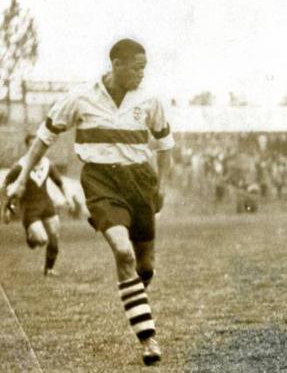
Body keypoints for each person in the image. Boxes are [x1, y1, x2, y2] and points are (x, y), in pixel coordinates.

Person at [6, 38, 174, 365]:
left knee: (144, 267)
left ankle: (136, 295)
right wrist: (22, 177)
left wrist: (161, 185)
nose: (142, 73)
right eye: (137, 67)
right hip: (100, 182)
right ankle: (148, 341)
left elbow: (165, 144)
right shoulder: (80, 98)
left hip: (140, 183)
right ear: (117, 64)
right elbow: (44, 138)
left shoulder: (151, 100)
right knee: (122, 253)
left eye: (145, 67)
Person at [2, 134, 75, 276]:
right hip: (30, 208)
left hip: (47, 204)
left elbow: (60, 183)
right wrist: (8, 207)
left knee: (54, 237)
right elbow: (6, 184)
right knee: (42, 240)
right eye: (32, 145)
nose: (37, 149)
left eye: (40, 145)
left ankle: (49, 269)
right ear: (29, 147)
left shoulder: (47, 164)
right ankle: (31, 238)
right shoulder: (21, 166)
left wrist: (69, 198)